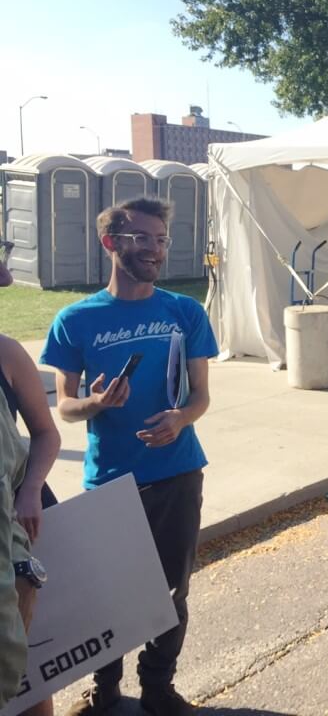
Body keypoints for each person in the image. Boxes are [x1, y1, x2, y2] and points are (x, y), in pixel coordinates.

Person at [41, 197, 218, 716]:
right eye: (141, 238)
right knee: (109, 594)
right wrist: (95, 403)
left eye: (161, 239)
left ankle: (158, 688)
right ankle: (106, 689)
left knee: (170, 591)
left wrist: (181, 419)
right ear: (110, 242)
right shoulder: (75, 319)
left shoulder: (184, 312)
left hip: (178, 471)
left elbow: (201, 395)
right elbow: (66, 408)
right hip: (111, 480)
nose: (155, 250)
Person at [0, 246, 61, 716]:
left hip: (11, 556)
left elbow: (46, 433)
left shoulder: (6, 354)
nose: (5, 276)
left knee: (27, 673)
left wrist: (30, 489)